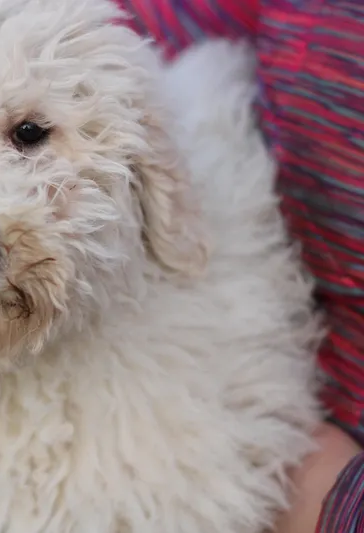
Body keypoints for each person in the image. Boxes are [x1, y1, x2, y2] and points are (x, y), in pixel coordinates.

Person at [113, 0, 364, 532]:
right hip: (274, 384)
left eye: (26, 136)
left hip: (303, 472)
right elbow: (168, 25)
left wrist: (339, 497)